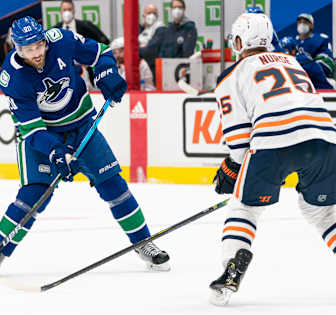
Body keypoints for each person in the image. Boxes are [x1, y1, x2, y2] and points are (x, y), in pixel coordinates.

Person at [0, 16, 170, 274]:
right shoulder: (12, 79)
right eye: (28, 49)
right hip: (45, 136)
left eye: (38, 45)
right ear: (17, 48)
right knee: (34, 195)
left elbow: (101, 52)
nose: (36, 53)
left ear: (44, 39)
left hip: (82, 127)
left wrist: (106, 72)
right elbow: (32, 131)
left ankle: (143, 242)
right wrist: (56, 152)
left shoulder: (62, 40)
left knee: (114, 185)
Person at [209, 12, 336, 306]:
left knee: (244, 208)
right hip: (325, 138)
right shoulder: (294, 63)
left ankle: (230, 268)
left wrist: (231, 168)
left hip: (273, 141)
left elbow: (240, 141)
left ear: (239, 41)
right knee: (325, 213)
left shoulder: (231, 75)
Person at [140, 0, 197, 77]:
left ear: (184, 9)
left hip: (181, 69)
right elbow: (163, 50)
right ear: (171, 9)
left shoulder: (190, 28)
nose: (177, 10)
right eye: (174, 7)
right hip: (166, 69)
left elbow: (187, 52)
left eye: (180, 7)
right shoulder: (169, 28)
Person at [295, 13, 335, 79]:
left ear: (312, 25)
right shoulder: (292, 42)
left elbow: (328, 63)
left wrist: (305, 69)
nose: (301, 24)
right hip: (295, 78)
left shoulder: (321, 39)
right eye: (299, 22)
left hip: (317, 78)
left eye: (305, 22)